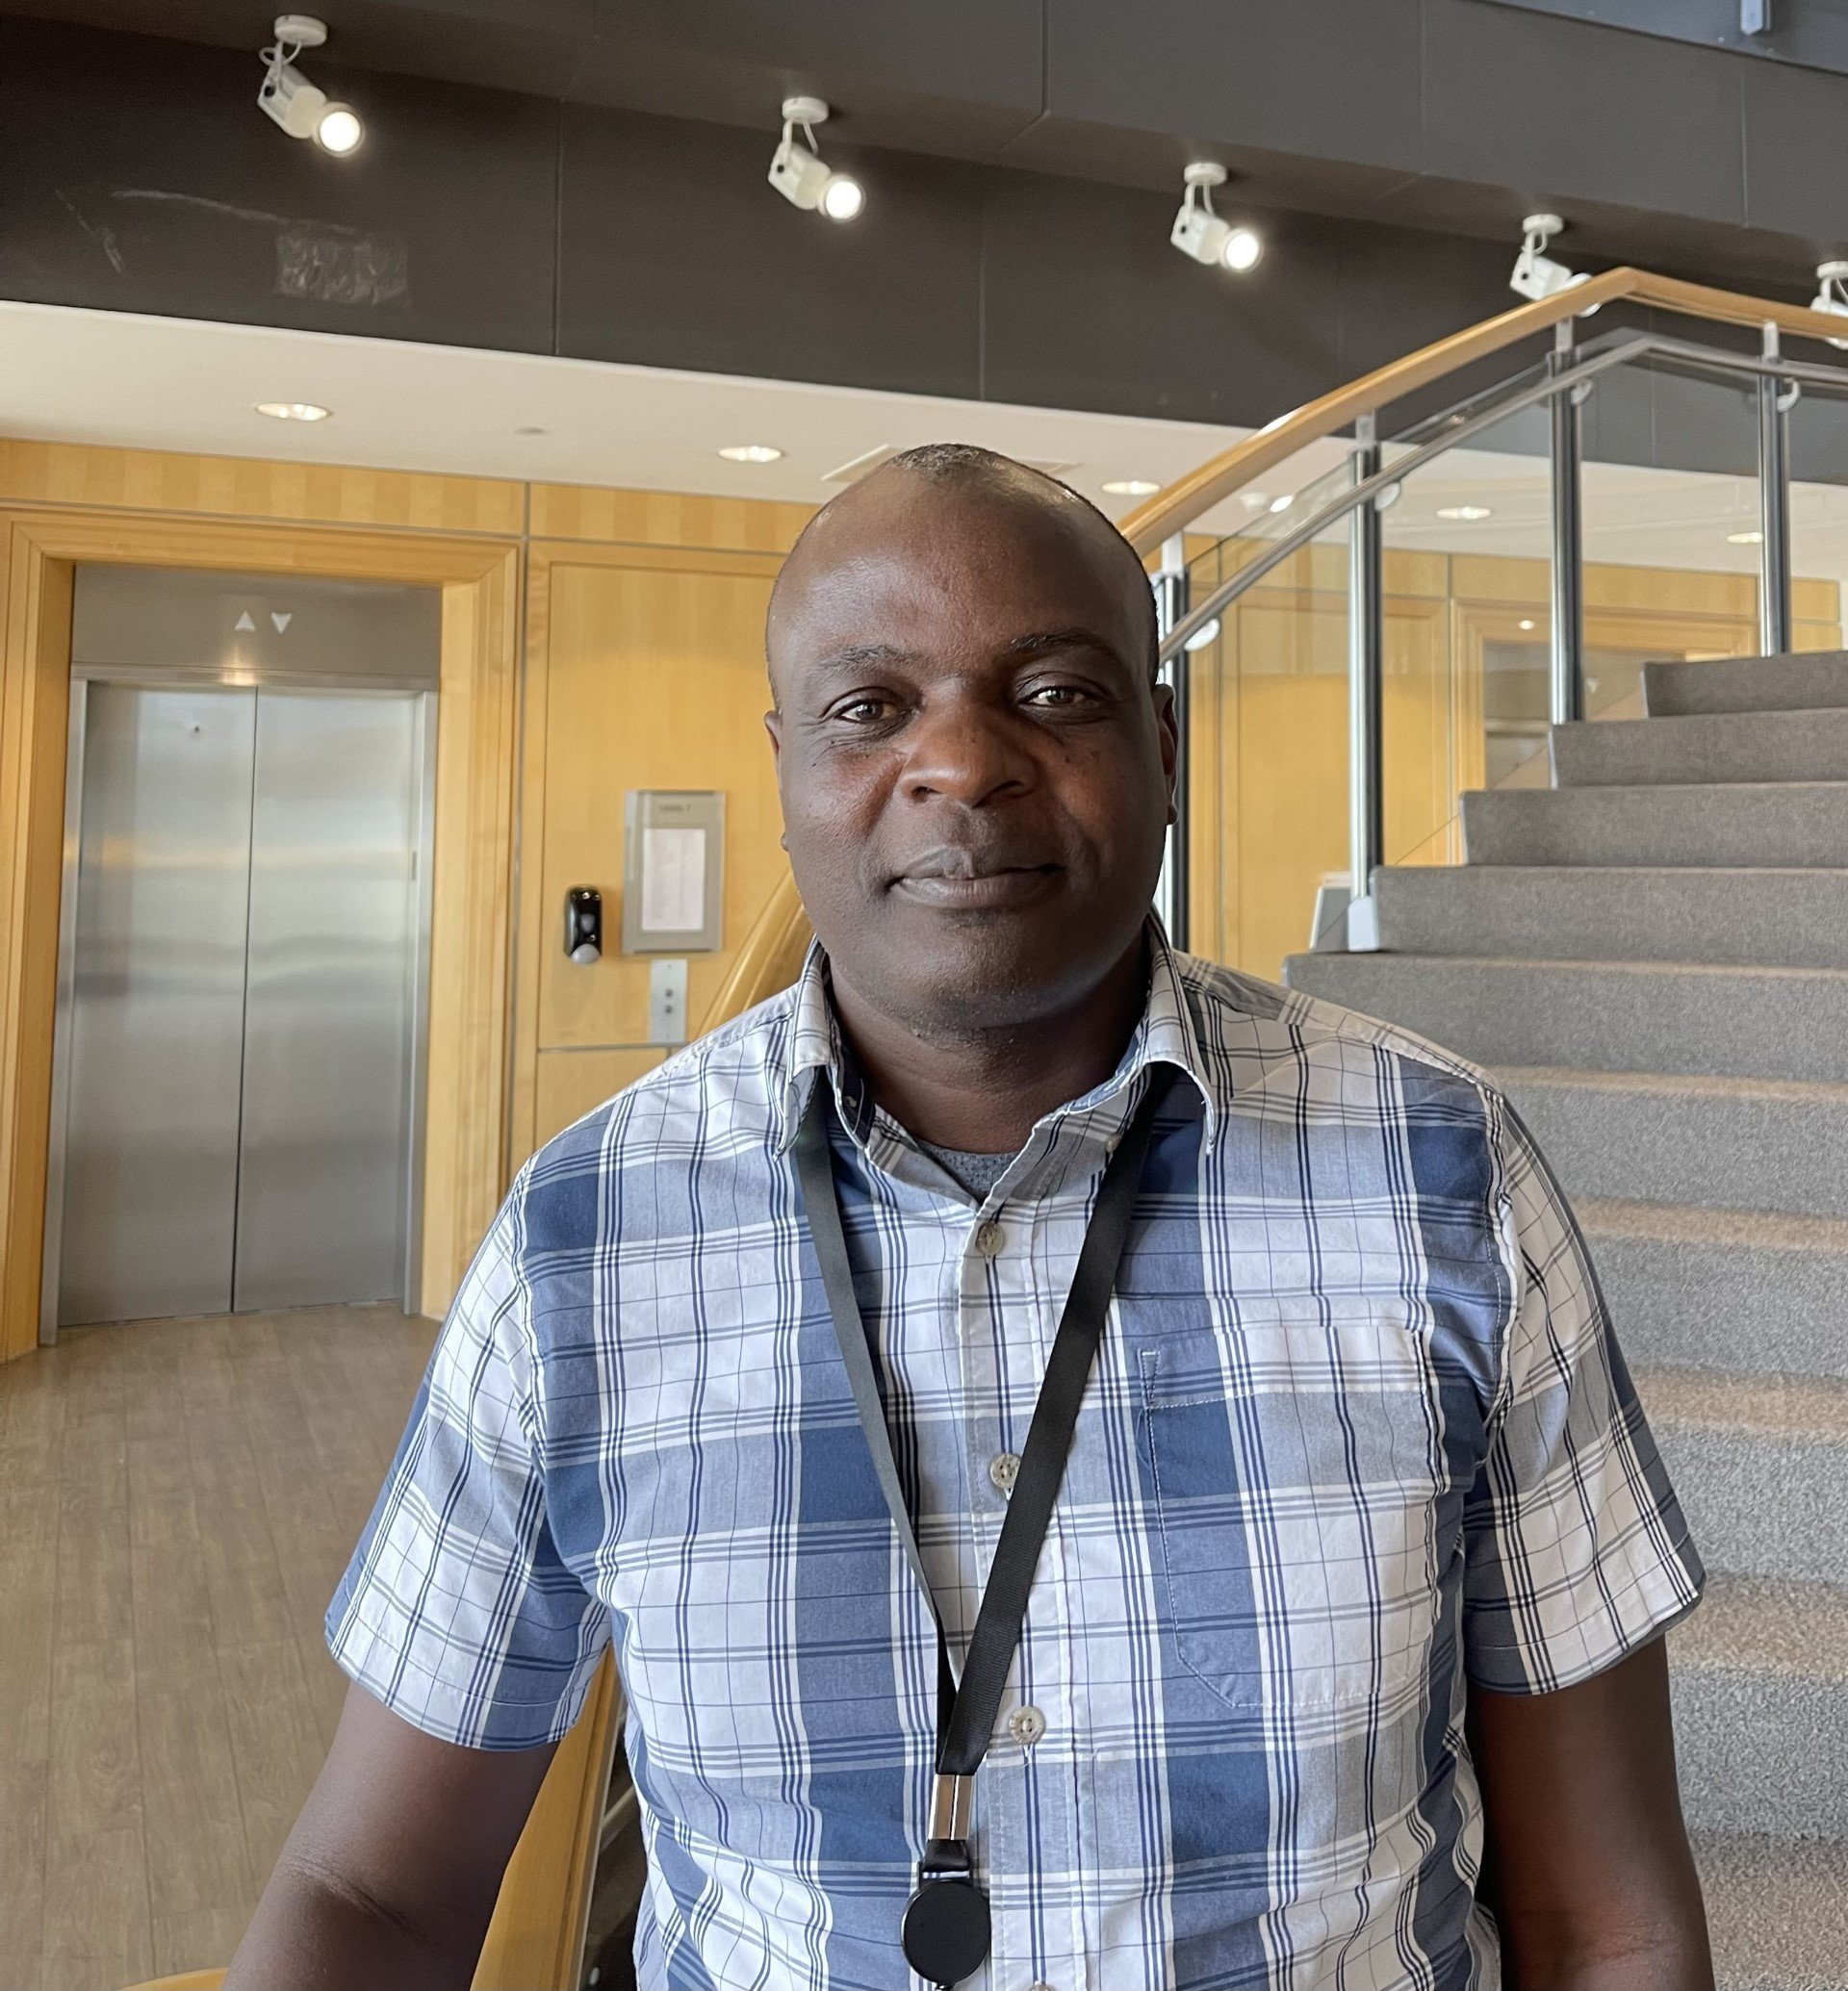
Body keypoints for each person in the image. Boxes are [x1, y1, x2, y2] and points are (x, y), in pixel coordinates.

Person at [225, 445, 1711, 1991]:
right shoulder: (586, 1239)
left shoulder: (1440, 1176)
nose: (965, 763)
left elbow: (1604, 1920)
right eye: (871, 707)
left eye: (1058, 693)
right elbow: (373, 1900)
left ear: (1167, 748)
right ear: (788, 770)